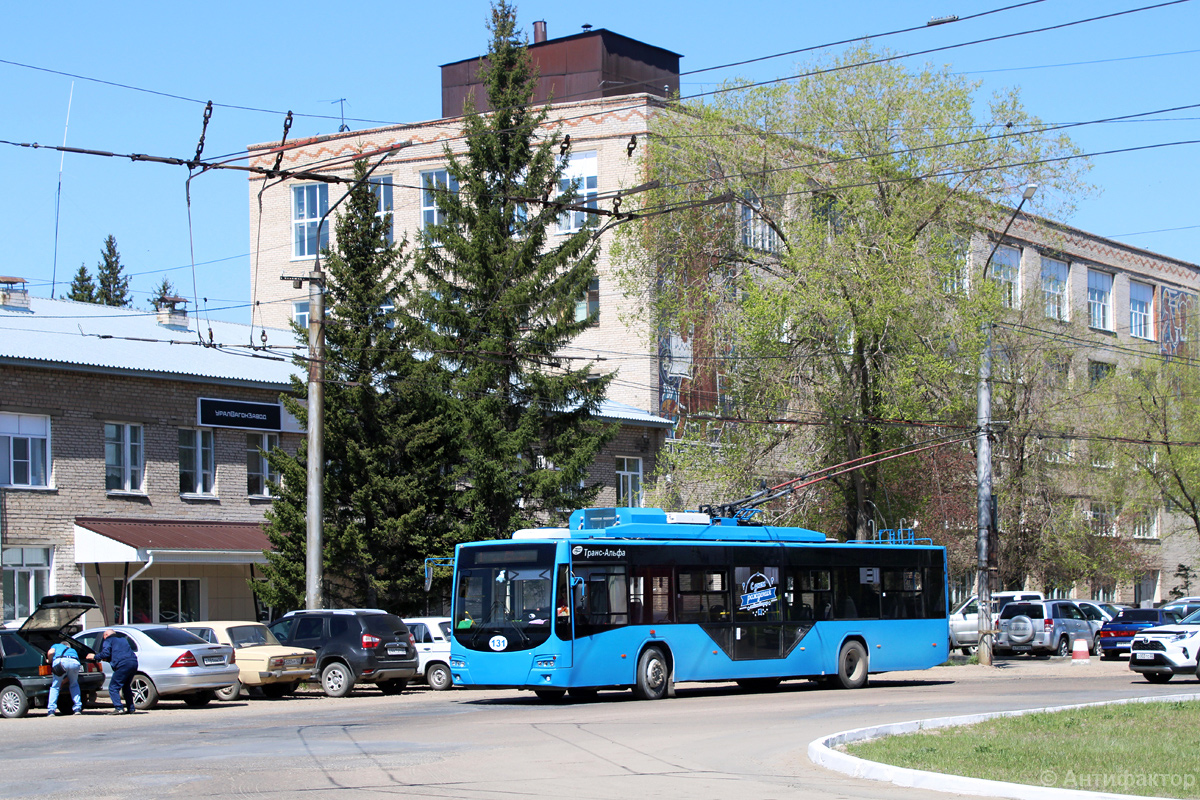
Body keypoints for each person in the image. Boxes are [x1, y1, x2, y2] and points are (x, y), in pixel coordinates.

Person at [87, 629, 138, 714]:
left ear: (106, 635)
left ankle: (119, 708)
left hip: (123, 664)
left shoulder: (108, 640)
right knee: (126, 686)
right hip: (133, 663)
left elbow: (106, 653)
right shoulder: (123, 640)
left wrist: (94, 656)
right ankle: (131, 708)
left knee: (113, 687)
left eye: (104, 636)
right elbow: (118, 653)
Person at [46, 640, 83, 716]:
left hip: (61, 662)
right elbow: (70, 673)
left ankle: (51, 710)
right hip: (74, 662)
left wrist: (49, 661)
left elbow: (50, 652)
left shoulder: (57, 645)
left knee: (55, 687)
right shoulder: (73, 650)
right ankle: (77, 708)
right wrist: (64, 680)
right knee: (74, 685)